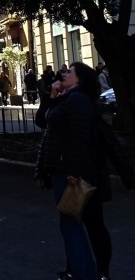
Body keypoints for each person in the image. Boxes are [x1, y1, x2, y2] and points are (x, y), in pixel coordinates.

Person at [35, 61, 134, 280]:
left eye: (69, 71)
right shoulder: (65, 99)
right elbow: (44, 124)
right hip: (66, 169)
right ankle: (79, 269)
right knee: (72, 221)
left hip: (80, 173)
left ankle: (92, 272)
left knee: (86, 223)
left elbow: (79, 140)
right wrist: (51, 96)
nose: (64, 73)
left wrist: (73, 171)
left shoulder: (78, 101)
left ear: (79, 79)